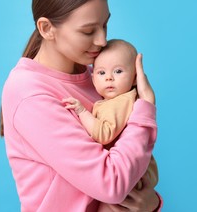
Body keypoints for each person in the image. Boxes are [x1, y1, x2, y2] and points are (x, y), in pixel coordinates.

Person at [0, 0, 162, 212]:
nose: (102, 40)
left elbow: (131, 168)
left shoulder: (97, 78)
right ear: (46, 28)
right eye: (88, 31)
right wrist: (145, 108)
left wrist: (151, 203)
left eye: (104, 25)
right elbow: (112, 184)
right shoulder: (29, 94)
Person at [62, 39, 158, 198]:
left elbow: (103, 134)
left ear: (135, 77)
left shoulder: (121, 102)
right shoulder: (114, 101)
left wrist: (82, 111)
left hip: (133, 178)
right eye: (101, 72)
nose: (109, 78)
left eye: (118, 71)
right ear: (93, 78)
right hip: (132, 171)